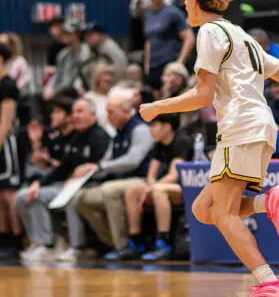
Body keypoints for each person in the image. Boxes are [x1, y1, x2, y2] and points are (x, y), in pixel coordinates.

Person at [139, 0, 279, 297]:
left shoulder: (209, 32)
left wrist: (158, 107)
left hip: (240, 126)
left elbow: (202, 95)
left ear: (195, 0)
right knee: (204, 209)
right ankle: (269, 202)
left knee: (225, 213)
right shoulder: (241, 35)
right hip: (261, 125)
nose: (184, 4)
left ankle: (270, 284)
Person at [17, 98, 110, 264]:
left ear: (92, 114)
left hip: (92, 185)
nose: (76, 116)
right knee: (27, 196)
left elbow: (104, 168)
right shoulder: (76, 138)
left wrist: (82, 176)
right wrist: (39, 183)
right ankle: (44, 244)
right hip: (69, 185)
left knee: (71, 199)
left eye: (80, 111)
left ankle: (77, 247)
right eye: (74, 112)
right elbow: (62, 169)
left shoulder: (101, 136)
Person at [74, 87, 156, 261]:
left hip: (141, 180)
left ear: (125, 111)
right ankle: (112, 241)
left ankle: (123, 245)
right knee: (81, 198)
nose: (108, 117)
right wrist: (90, 170)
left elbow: (133, 160)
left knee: (109, 190)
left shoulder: (140, 129)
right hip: (120, 181)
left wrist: (100, 166)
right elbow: (106, 161)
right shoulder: (118, 133)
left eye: (111, 112)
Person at [119, 113, 190, 261]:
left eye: (153, 125)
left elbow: (174, 175)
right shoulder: (158, 145)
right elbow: (151, 175)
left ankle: (163, 243)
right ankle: (136, 242)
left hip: (187, 188)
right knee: (132, 191)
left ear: (167, 127)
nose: (150, 129)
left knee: (158, 191)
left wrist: (151, 189)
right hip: (165, 187)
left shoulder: (181, 141)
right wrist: (149, 187)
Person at [144, 0, 194, 91]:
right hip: (153, 66)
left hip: (169, 65)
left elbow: (189, 38)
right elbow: (149, 40)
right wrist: (147, 64)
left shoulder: (173, 13)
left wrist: (179, 63)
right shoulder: (148, 14)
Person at [0, 42, 22, 258]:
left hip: (5, 142)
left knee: (9, 192)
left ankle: (16, 237)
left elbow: (6, 122)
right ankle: (3, 235)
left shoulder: (8, 85)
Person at [47, 22, 91, 99]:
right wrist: (49, 88)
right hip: (61, 92)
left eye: (69, 33)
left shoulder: (86, 51)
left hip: (79, 91)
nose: (65, 36)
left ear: (77, 34)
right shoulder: (62, 54)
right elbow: (57, 75)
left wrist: (56, 91)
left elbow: (83, 77)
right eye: (64, 33)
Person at [84, 64, 116, 136]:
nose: (108, 78)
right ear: (97, 78)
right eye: (105, 74)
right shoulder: (89, 98)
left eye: (110, 75)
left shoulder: (116, 95)